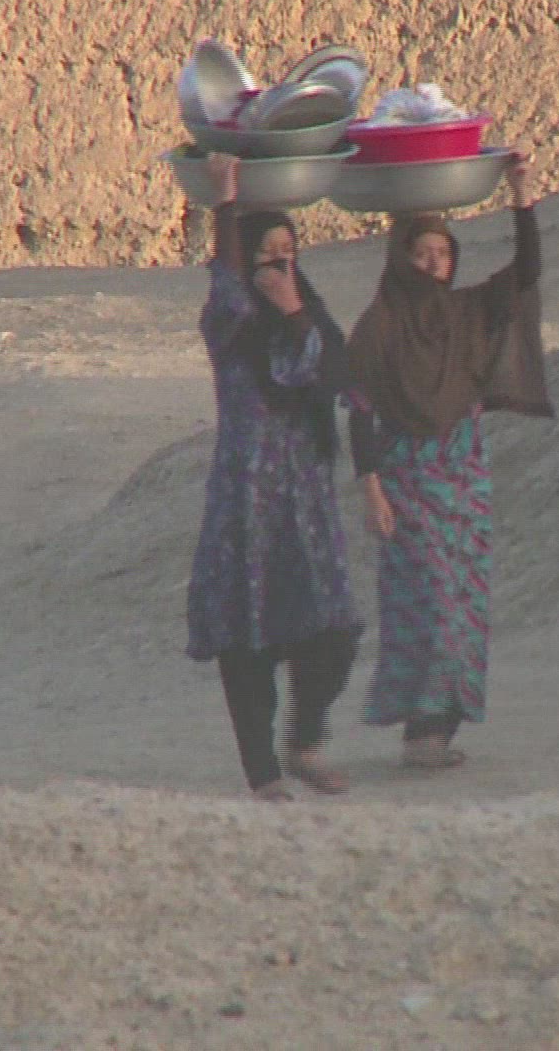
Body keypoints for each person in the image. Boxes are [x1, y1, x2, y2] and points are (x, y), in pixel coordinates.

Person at [345, 150, 553, 769]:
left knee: (464, 603)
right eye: (423, 254)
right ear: (401, 259)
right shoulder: (380, 325)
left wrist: (521, 196)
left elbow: (527, 271)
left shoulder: (466, 312)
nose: (437, 264)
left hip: (464, 476)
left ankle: (434, 733)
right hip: (407, 478)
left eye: (444, 253)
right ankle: (420, 727)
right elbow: (359, 411)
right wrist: (371, 490)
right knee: (428, 602)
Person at [184, 151, 363, 801]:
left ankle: (305, 741)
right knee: (247, 636)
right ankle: (262, 773)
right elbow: (228, 283)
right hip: (247, 502)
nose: (281, 265)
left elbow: (331, 375)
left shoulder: (307, 317)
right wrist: (226, 200)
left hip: (304, 500)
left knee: (335, 628)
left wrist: (293, 311)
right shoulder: (229, 324)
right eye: (267, 254)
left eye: (290, 253)